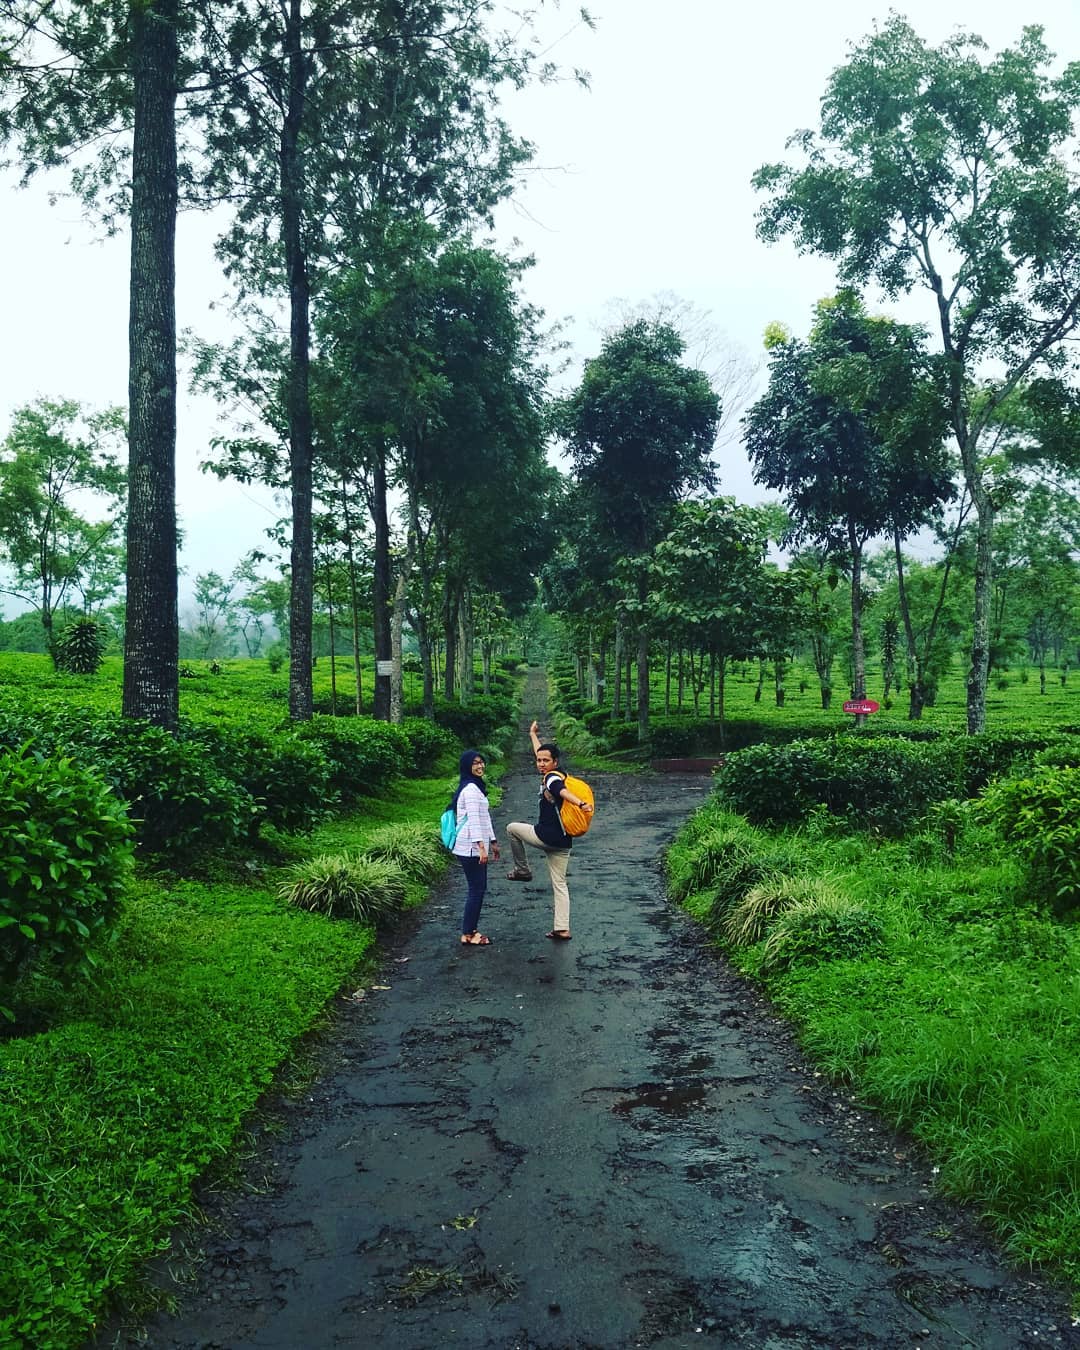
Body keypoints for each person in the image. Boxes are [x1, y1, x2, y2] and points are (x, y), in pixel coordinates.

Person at [505, 720, 592, 941]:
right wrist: (532, 734)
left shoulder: (552, 778)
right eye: (539, 761)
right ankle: (562, 928)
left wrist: (580, 803)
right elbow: (541, 753)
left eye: (545, 761)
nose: (541, 764)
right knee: (560, 884)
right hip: (564, 842)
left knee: (512, 828)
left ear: (555, 762)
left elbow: (561, 792)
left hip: (546, 836)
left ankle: (522, 870)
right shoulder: (559, 772)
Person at [450, 748, 500, 946]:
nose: (480, 766)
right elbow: (473, 820)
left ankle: (469, 931)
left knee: (478, 888)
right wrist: (481, 847)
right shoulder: (470, 789)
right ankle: (469, 933)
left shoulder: (475, 787)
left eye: (481, 762)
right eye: (475, 763)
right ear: (467, 767)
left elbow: (484, 817)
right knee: (476, 889)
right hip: (469, 847)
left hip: (474, 845)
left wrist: (493, 841)